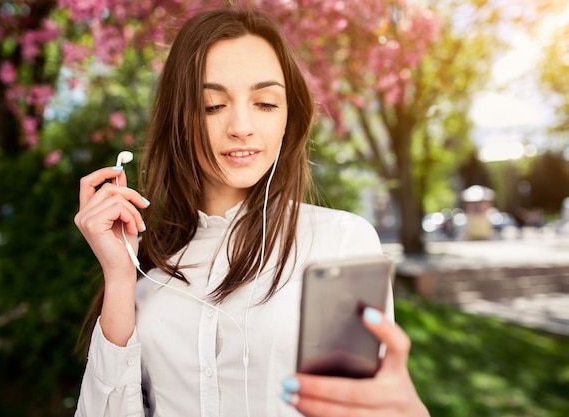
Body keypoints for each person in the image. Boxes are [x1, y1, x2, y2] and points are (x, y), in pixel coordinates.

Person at [74, 7, 429, 417]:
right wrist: (118, 277)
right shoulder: (144, 261)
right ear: (180, 118)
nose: (241, 126)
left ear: (287, 118)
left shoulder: (340, 241)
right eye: (212, 105)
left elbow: (363, 405)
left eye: (264, 103)